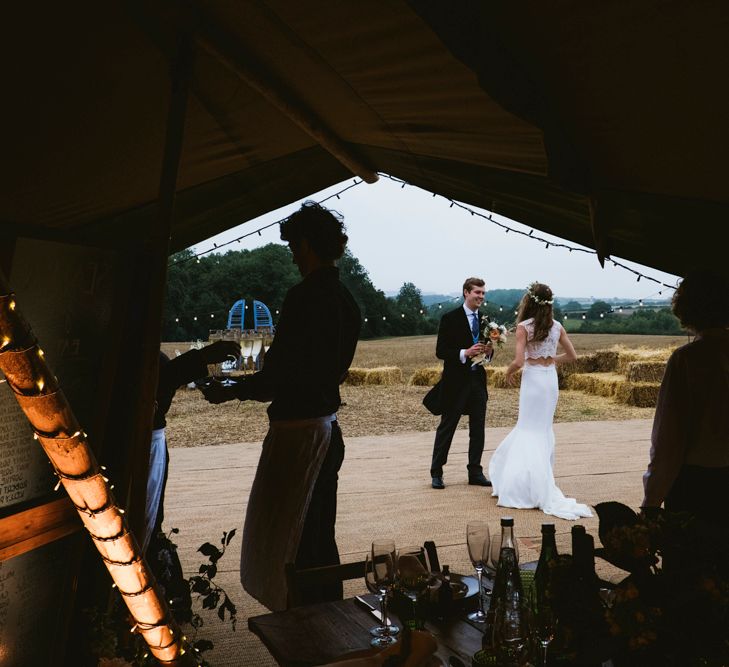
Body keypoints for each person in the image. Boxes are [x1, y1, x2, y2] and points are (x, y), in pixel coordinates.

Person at [202, 202, 361, 611]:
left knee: (291, 535)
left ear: (306, 244)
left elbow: (279, 377)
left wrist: (231, 390)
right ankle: (330, 617)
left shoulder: (303, 297)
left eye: (293, 245)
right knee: (320, 533)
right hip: (329, 429)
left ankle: (305, 624)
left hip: (300, 436)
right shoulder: (347, 300)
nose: (291, 254)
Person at [145, 339, 241, 620]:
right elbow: (162, 380)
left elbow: (164, 378)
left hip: (153, 442)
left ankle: (165, 592)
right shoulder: (145, 360)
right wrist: (201, 359)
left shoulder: (155, 359)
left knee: (152, 518)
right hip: (144, 445)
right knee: (146, 520)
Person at [488, 282, 591, 520]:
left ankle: (524, 487)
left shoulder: (524, 327)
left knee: (527, 427)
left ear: (529, 301)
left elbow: (518, 361)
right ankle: (541, 482)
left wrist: (507, 372)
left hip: (533, 380)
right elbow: (573, 356)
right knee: (542, 429)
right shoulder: (557, 327)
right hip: (550, 381)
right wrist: (551, 358)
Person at [642, 270, 729, 531]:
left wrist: (652, 500)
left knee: (692, 564)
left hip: (697, 485)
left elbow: (669, 438)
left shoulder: (687, 360)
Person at [429, 277, 493, 489]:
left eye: (483, 293)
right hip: (455, 383)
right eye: (478, 293)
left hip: (478, 382)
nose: (481, 297)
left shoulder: (486, 320)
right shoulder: (450, 318)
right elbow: (441, 351)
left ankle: (475, 472)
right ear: (466, 292)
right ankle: (436, 473)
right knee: (447, 428)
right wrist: (464, 352)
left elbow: (487, 355)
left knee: (478, 429)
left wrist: (489, 353)